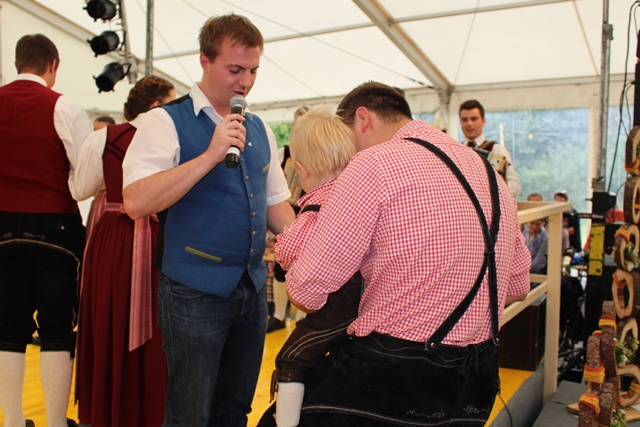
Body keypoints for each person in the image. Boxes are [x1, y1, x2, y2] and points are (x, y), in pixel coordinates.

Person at [282, 82, 531, 426]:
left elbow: (306, 292)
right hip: (475, 379)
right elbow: (517, 286)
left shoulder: (372, 164)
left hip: (390, 376)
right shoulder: (489, 173)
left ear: (362, 119)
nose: (347, 156)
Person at [121, 14, 295, 427]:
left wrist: (314, 244)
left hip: (252, 289)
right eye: (235, 70)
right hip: (192, 291)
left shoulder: (259, 128)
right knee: (189, 414)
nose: (245, 82)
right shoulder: (164, 121)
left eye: (253, 71)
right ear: (204, 60)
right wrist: (209, 155)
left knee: (234, 410)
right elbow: (136, 201)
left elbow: (276, 205)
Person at [72, 76, 176, 427]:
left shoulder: (104, 138)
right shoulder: (172, 138)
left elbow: (81, 188)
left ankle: (109, 407)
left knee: (109, 317)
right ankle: (153, 409)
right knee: (161, 323)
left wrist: (109, 190)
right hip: (159, 236)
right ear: (157, 106)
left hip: (113, 239)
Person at [0, 34, 91, 427]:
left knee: (7, 329)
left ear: (17, 62)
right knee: (57, 329)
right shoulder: (65, 106)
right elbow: (83, 179)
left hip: (2, 226)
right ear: (53, 65)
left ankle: (13, 421)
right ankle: (55, 422)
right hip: (56, 226)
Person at [258, 105, 359, 427]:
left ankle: (286, 422)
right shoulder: (357, 199)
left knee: (291, 359)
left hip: (336, 307)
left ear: (300, 169)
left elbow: (287, 250)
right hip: (365, 299)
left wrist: (284, 249)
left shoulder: (313, 209)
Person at [268, 105, 310, 333]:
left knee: (306, 269)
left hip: (309, 216)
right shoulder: (284, 152)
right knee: (280, 266)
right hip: (284, 215)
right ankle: (278, 315)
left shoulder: (319, 154)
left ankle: (303, 319)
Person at [459, 99, 522, 198]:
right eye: (464, 119)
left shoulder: (497, 150)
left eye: (474, 119)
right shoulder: (455, 150)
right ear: (460, 122)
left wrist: (500, 186)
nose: (469, 124)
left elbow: (515, 187)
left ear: (483, 121)